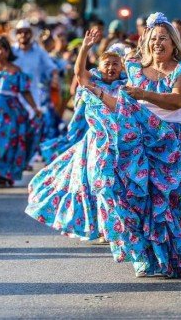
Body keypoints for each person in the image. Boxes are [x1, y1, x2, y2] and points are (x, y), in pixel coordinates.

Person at [85, 12, 181, 278]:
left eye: (164, 38)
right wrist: (99, 93)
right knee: (132, 198)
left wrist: (144, 94)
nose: (158, 43)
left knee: (167, 205)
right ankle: (144, 257)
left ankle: (171, 258)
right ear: (146, 41)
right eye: (153, 38)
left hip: (173, 143)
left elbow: (178, 100)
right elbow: (124, 105)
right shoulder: (133, 67)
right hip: (140, 141)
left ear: (174, 42)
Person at [27, 30, 127, 240]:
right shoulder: (92, 84)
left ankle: (116, 225)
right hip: (95, 144)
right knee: (96, 184)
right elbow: (78, 72)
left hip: (122, 144)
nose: (110, 68)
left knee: (116, 185)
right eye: (106, 64)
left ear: (121, 68)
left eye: (115, 64)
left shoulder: (127, 88)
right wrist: (85, 48)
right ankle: (101, 228)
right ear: (99, 67)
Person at [0, 36, 39, 187]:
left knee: (9, 143)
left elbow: (25, 91)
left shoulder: (15, 70)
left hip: (11, 113)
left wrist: (34, 108)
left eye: (0, 49)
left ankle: (4, 174)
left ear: (7, 51)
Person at [13, 20, 59, 151]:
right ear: (16, 34)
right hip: (14, 97)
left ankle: (28, 156)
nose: (23, 35)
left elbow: (52, 68)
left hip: (33, 96)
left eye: (26, 32)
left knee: (30, 129)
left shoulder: (39, 52)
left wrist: (54, 78)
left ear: (30, 34)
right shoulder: (11, 51)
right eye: (20, 32)